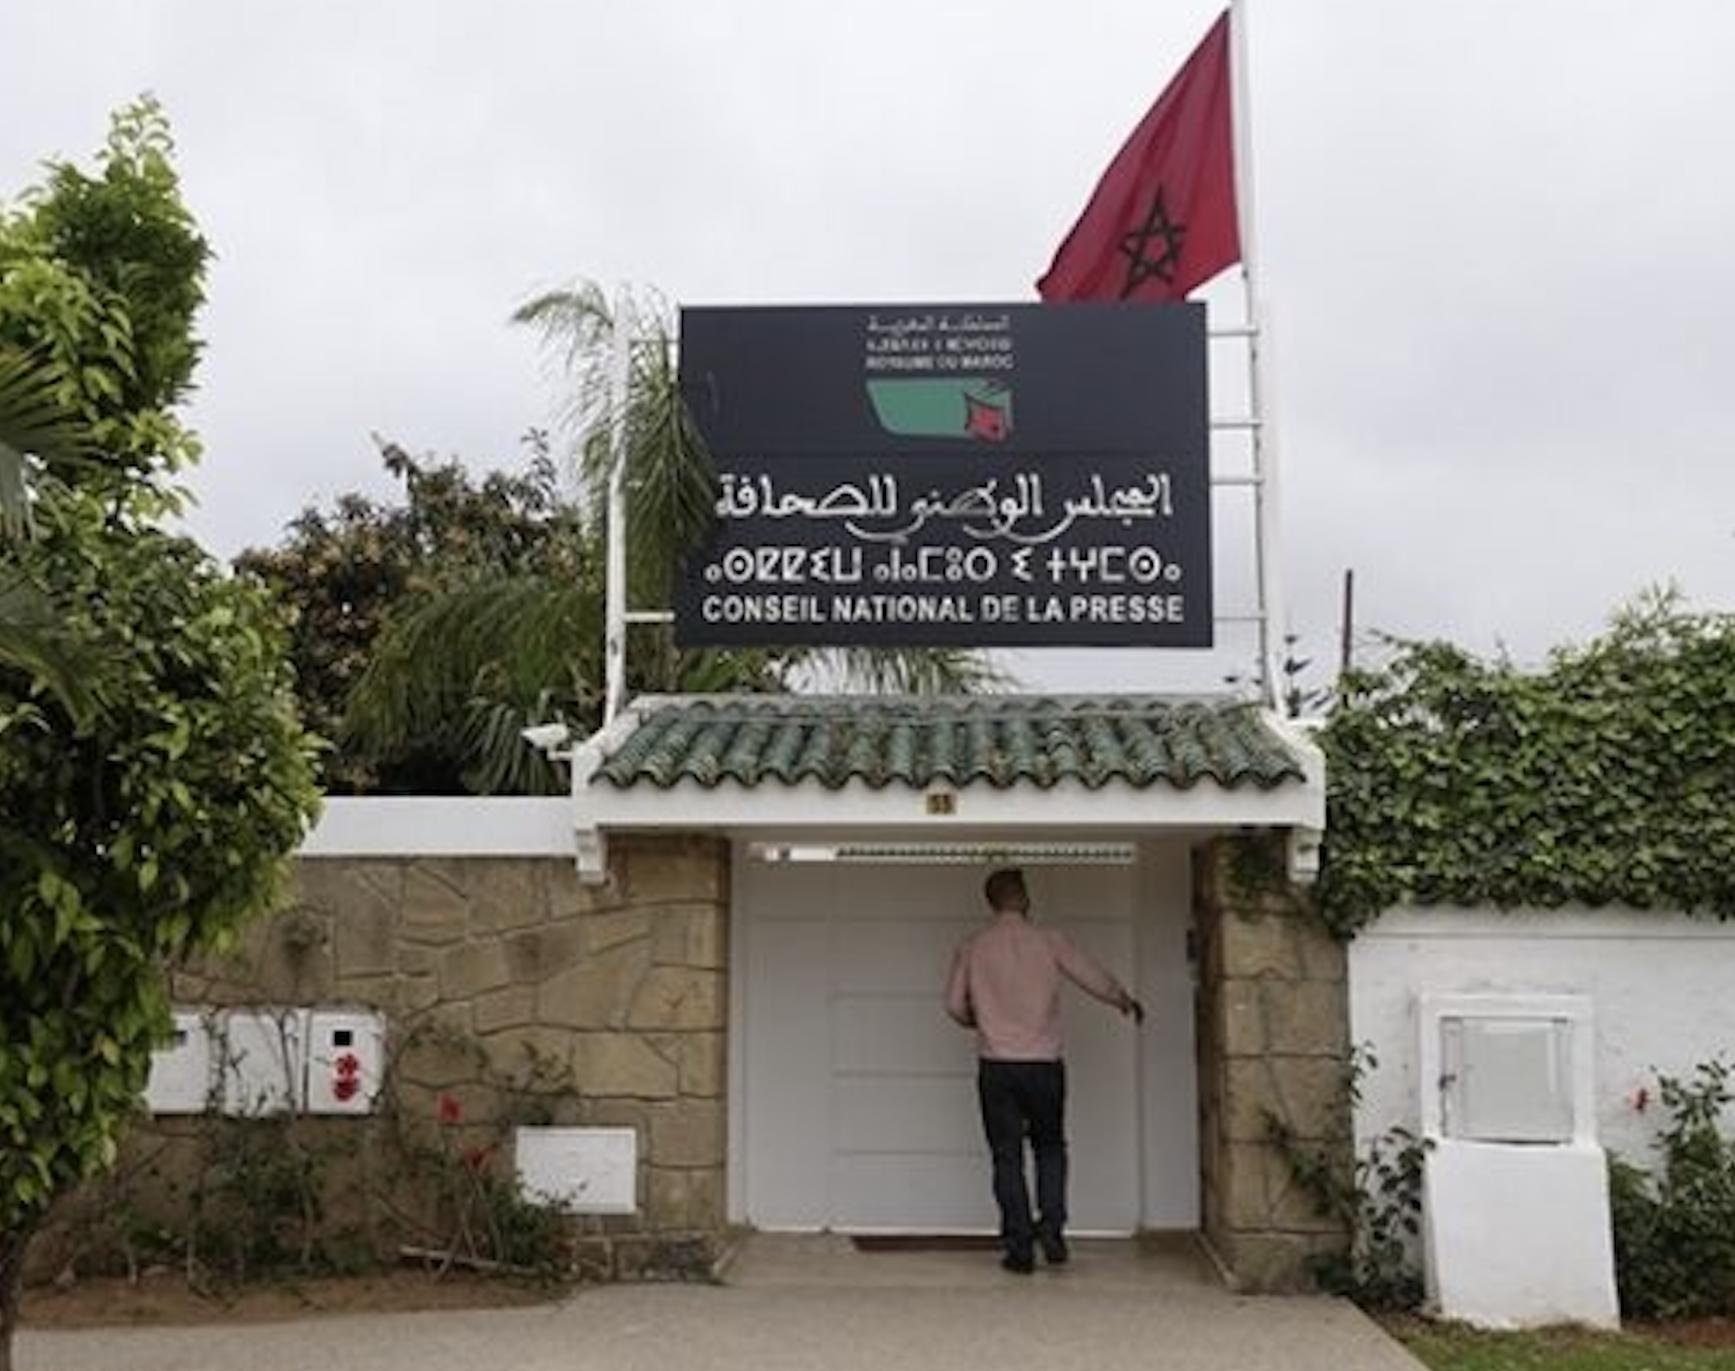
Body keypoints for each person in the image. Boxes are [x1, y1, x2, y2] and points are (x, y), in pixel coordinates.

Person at [944, 867, 1144, 1274]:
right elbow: (1092, 977)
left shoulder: (973, 947)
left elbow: (952, 1004)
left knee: (1007, 1156)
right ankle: (1052, 1230)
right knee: (1050, 1148)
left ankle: (1019, 1248)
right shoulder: (1050, 941)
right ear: (1024, 898)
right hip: (1043, 1065)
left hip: (997, 1066)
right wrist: (1123, 1000)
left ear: (991, 902)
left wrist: (978, 1022)